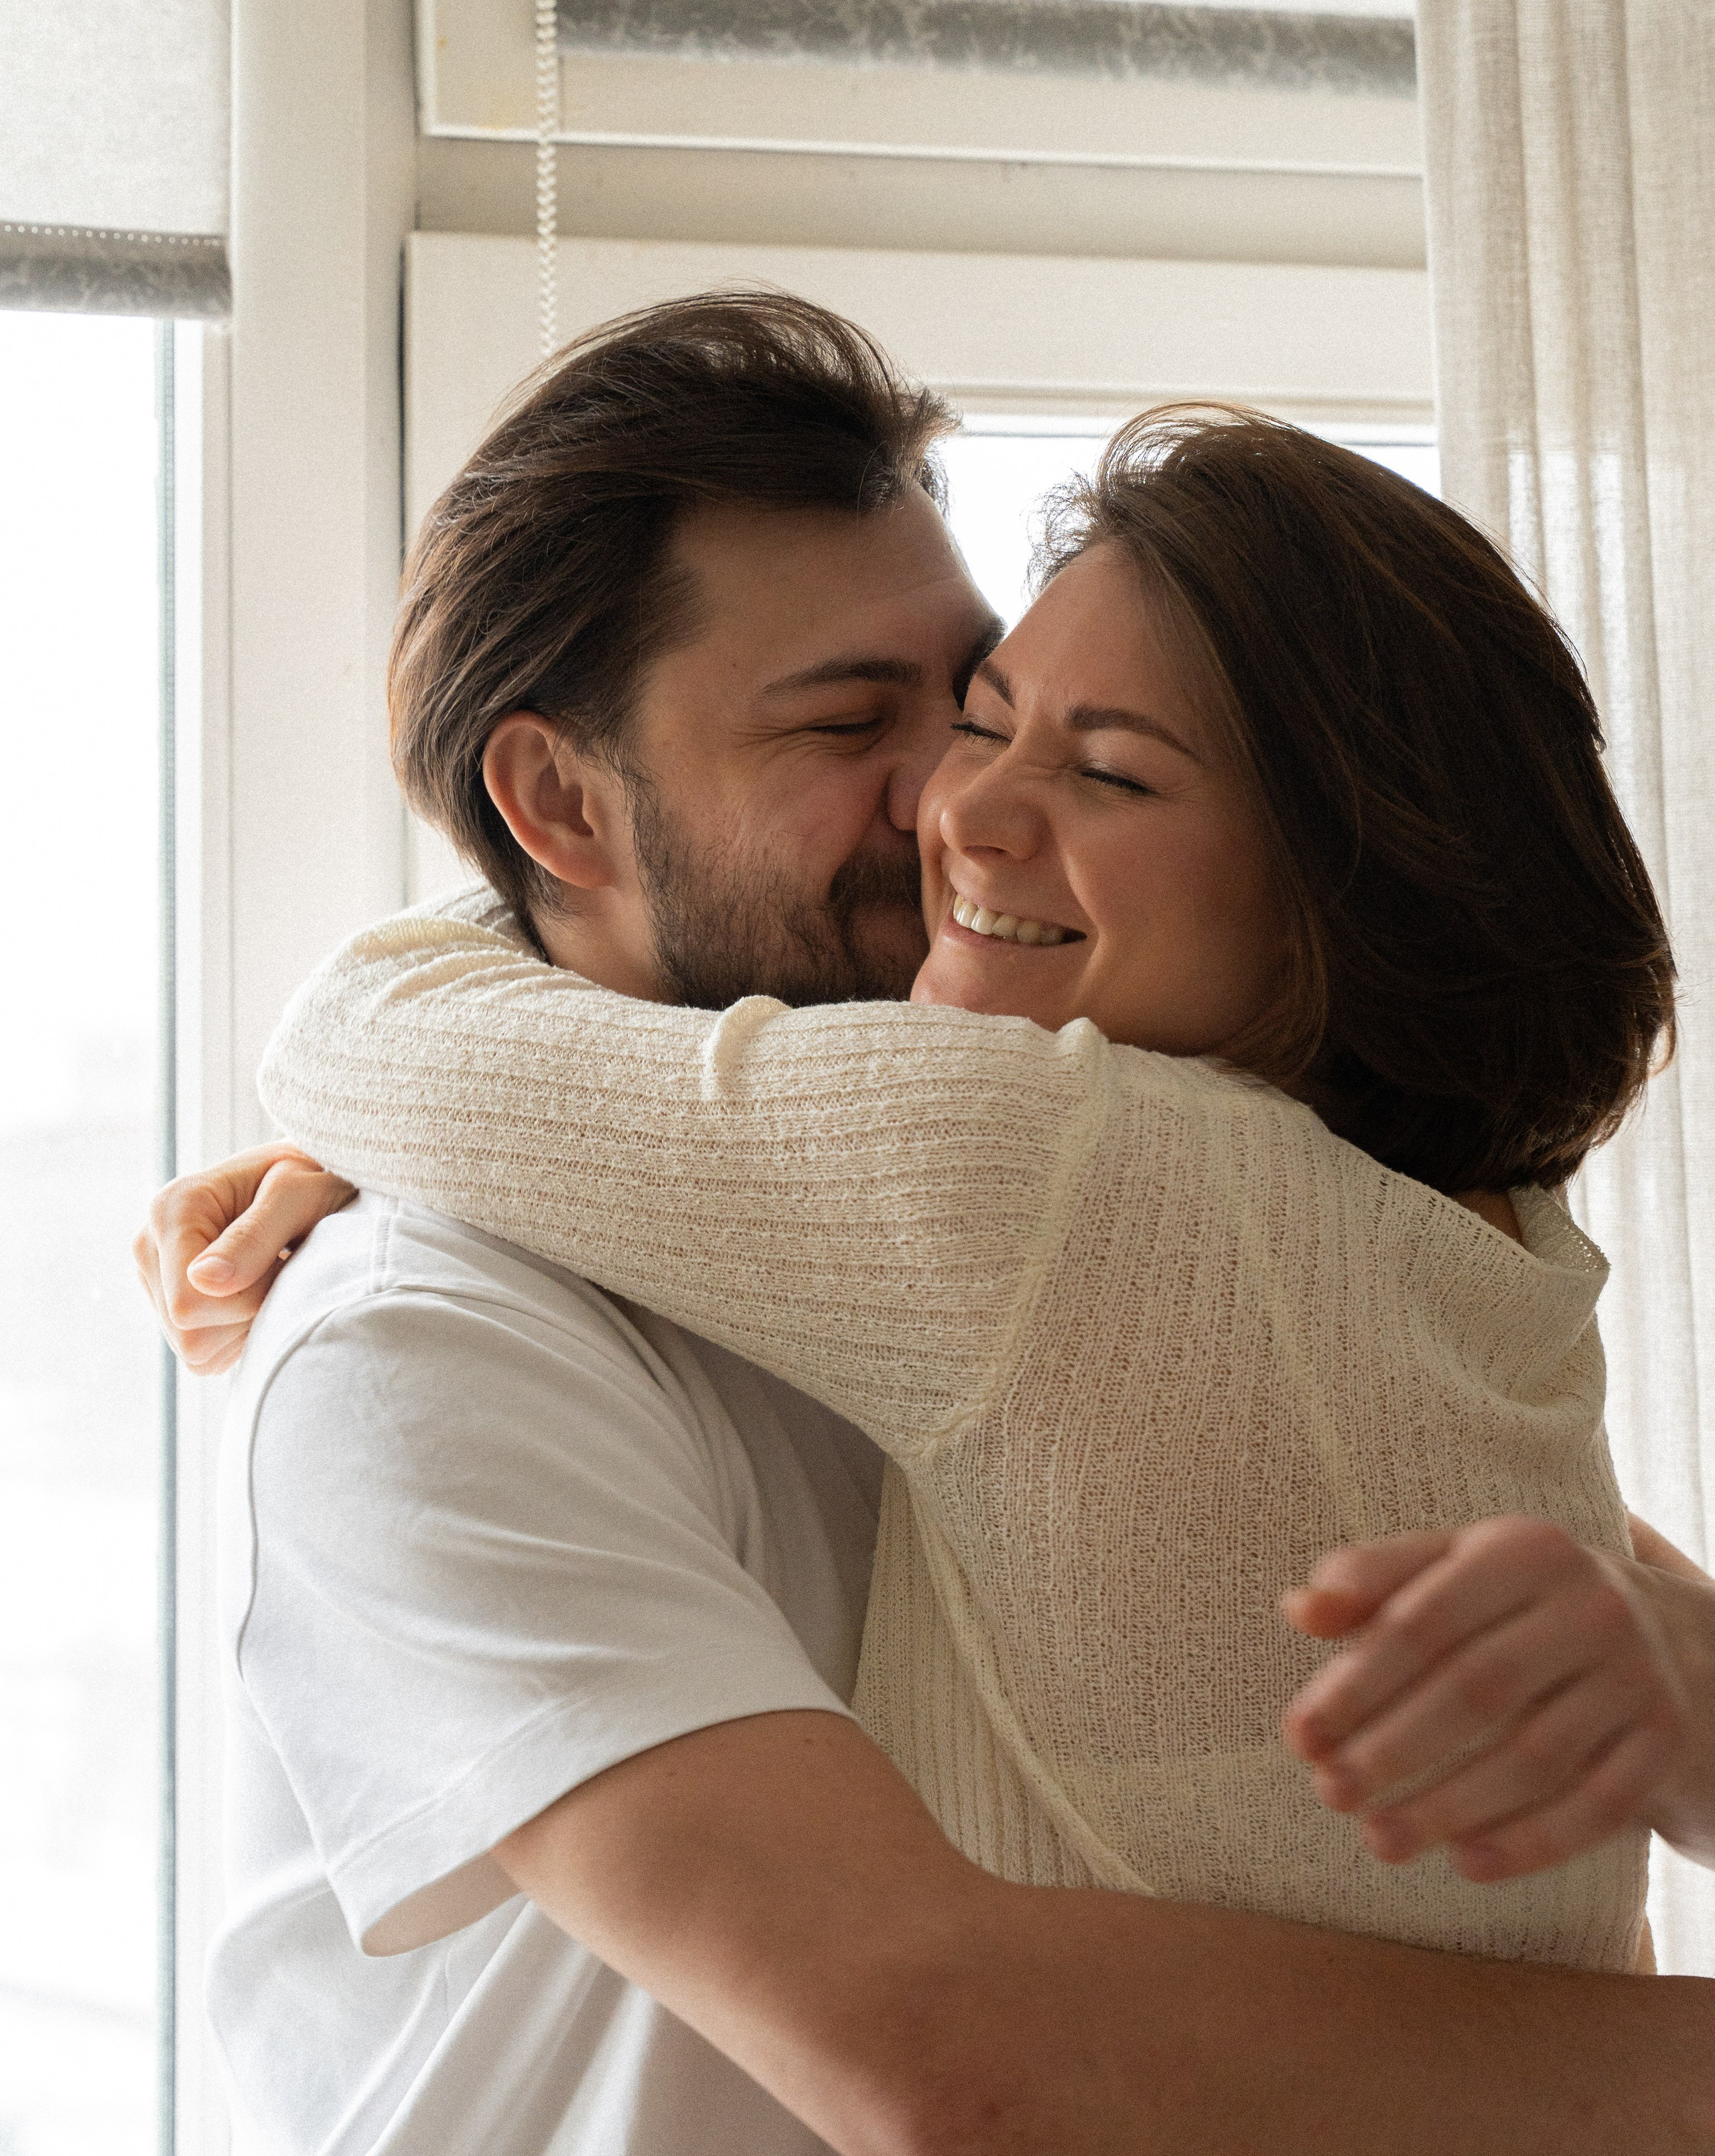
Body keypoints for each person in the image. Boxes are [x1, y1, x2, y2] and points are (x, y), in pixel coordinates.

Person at [137, 295, 1715, 2155]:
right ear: (559, 799)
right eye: (854, 722)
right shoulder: (423, 1333)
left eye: (972, 701)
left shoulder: (1098, 1163)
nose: (955, 800)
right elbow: (948, 2043)